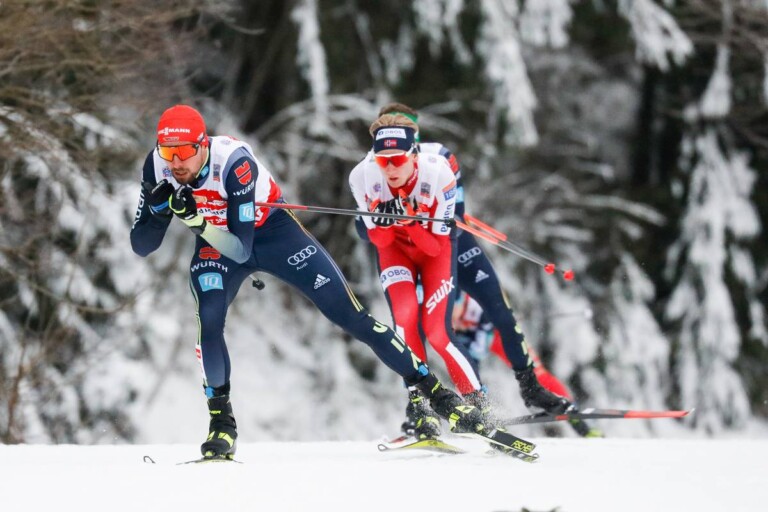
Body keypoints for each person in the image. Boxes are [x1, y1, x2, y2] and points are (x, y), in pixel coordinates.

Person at [130, 104, 488, 459]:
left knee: (349, 315)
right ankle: (221, 425)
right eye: (168, 152)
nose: (176, 163)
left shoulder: (234, 163)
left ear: (203, 145)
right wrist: (159, 213)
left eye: (184, 152)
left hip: (270, 233)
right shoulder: (157, 166)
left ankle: (437, 394)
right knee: (208, 322)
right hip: (215, 244)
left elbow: (241, 249)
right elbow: (142, 245)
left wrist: (194, 221)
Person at [353, 103, 575, 438]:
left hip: (446, 244)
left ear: (414, 139)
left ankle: (518, 391)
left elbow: (448, 229)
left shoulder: (440, 162)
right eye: (383, 157)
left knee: (471, 319)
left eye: (398, 155)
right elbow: (370, 234)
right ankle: (422, 408)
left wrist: (416, 219)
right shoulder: (366, 173)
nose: (389, 165)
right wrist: (381, 221)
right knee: (406, 317)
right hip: (399, 249)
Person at [452, 291, 603, 437]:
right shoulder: (449, 310)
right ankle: (477, 418)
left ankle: (576, 417)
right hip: (476, 339)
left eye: (453, 312)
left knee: (536, 373)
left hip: (499, 334)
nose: (452, 320)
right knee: (465, 374)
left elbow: (497, 294)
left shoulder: (474, 301)